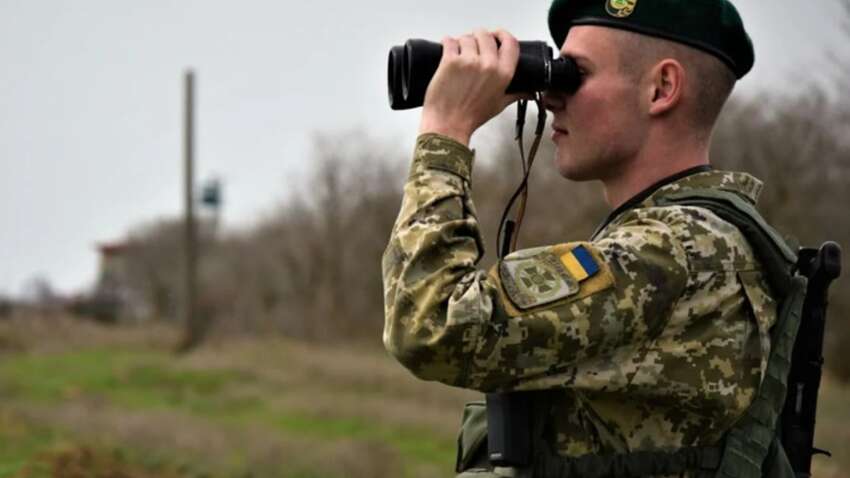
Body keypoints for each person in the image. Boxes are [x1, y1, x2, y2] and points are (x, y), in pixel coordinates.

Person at [382, 0, 778, 475]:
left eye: (575, 73)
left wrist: (445, 131)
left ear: (662, 88)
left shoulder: (676, 252)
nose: (549, 96)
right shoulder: (687, 242)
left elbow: (431, 324)